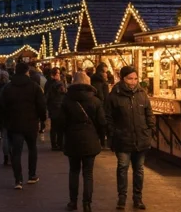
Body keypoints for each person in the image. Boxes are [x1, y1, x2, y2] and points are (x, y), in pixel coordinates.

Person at [106, 66, 155, 210]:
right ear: (123, 79)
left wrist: (150, 128)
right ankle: (122, 197)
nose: (133, 82)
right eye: (129, 78)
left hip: (141, 138)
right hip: (122, 139)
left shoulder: (142, 94)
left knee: (139, 170)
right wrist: (113, 132)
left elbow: (149, 113)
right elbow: (108, 117)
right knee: (122, 168)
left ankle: (137, 198)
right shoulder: (114, 95)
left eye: (135, 78)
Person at [63, 72, 107, 212]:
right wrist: (101, 138)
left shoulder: (67, 100)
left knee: (74, 171)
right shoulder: (95, 101)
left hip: (72, 139)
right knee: (88, 174)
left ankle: (72, 202)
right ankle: (87, 204)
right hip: (90, 139)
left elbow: (60, 122)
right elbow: (101, 122)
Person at [1, 62, 47, 190]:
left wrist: (6, 120)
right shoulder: (34, 87)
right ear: (27, 72)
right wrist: (42, 119)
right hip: (31, 123)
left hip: (14, 124)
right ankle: (32, 175)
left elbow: (2, 105)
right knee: (32, 148)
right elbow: (41, 105)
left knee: (16, 152)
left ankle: (18, 180)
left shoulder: (8, 87)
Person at [45, 68, 68, 151]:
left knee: (54, 127)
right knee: (60, 127)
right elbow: (63, 92)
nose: (59, 75)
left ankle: (54, 144)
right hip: (58, 106)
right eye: (58, 74)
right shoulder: (58, 84)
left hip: (52, 107)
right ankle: (60, 144)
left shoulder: (48, 83)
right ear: (55, 75)